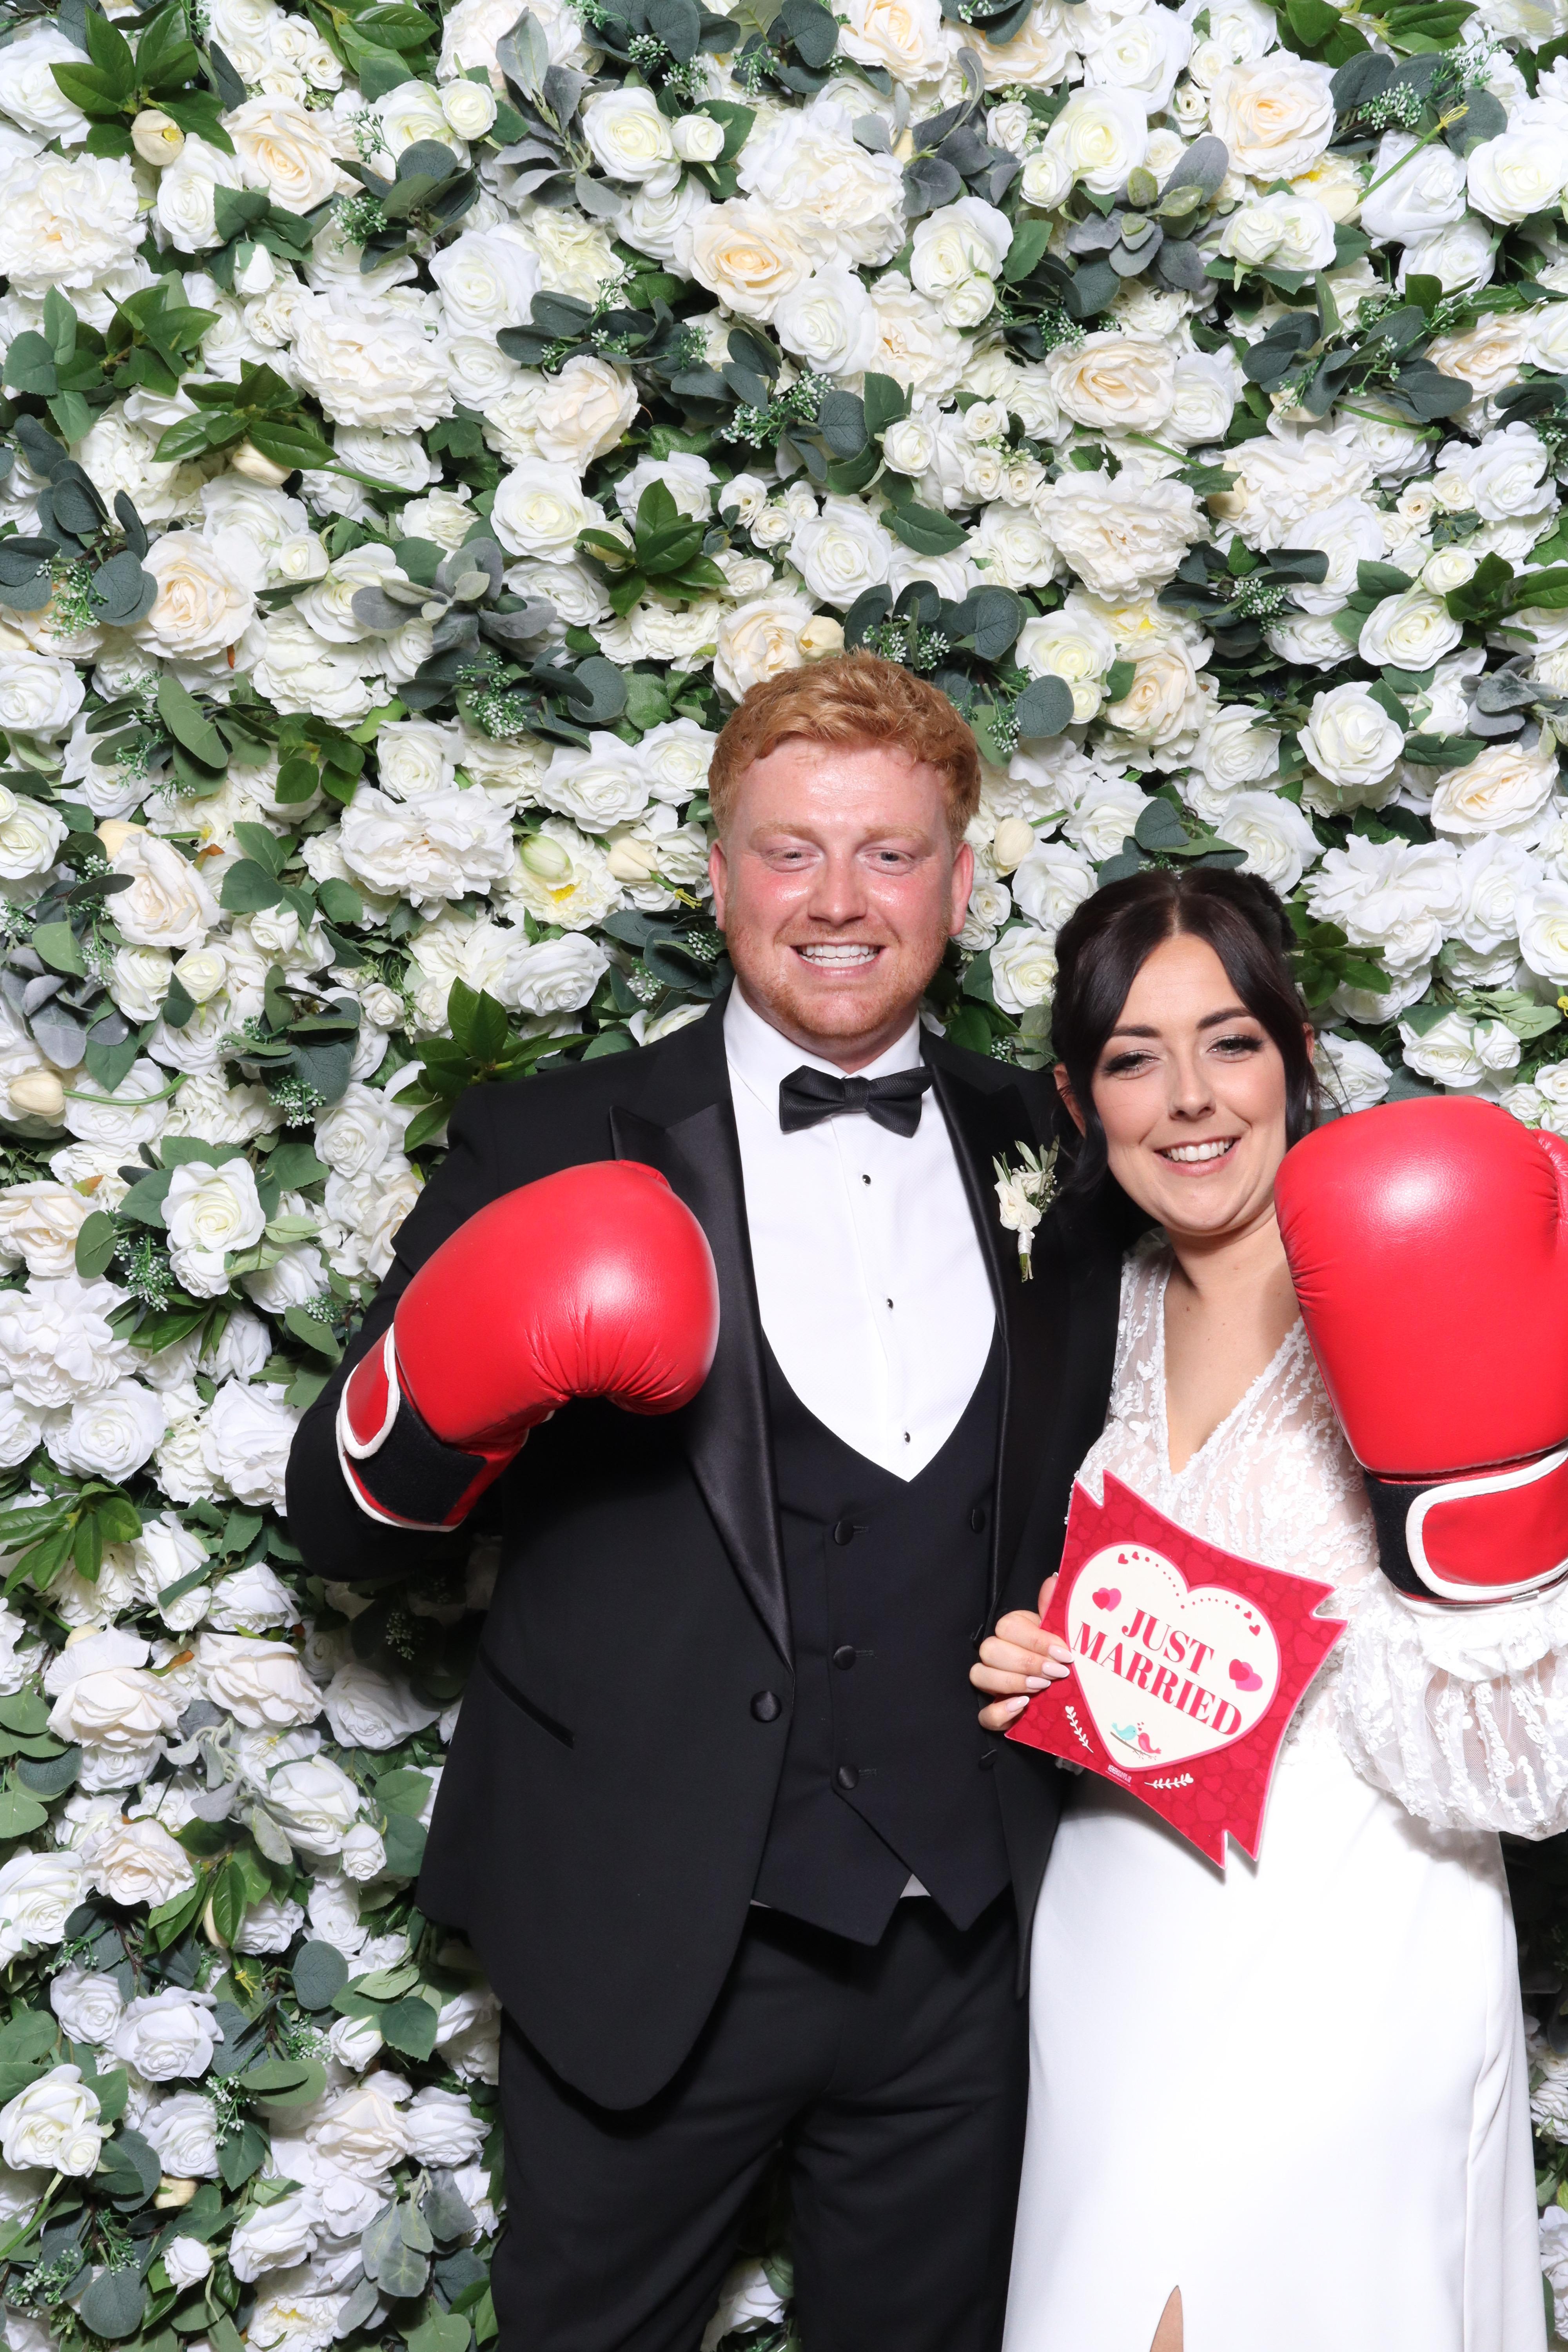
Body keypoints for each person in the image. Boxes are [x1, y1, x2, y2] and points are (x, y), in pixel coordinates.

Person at [285, 653, 1124, 2352]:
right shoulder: (548, 1141)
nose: (837, 901)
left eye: (888, 854)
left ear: (962, 884)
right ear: (717, 873)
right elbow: (342, 1523)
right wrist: (465, 1373)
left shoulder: (1054, 1139)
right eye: (788, 849)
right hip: (651, 1932)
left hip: (970, 1953)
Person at [973, 865, 1555, 2352]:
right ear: (1079, 1095)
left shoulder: (1419, 1274)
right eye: (1132, 1058)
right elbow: (1081, 1598)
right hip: (1121, 1932)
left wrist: (1304, 1658)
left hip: (1355, 1930)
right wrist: (1051, 1653)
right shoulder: (1085, 1302)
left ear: (1297, 1052)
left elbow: (1530, 1757)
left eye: (1229, 1041)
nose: (1189, 1098)